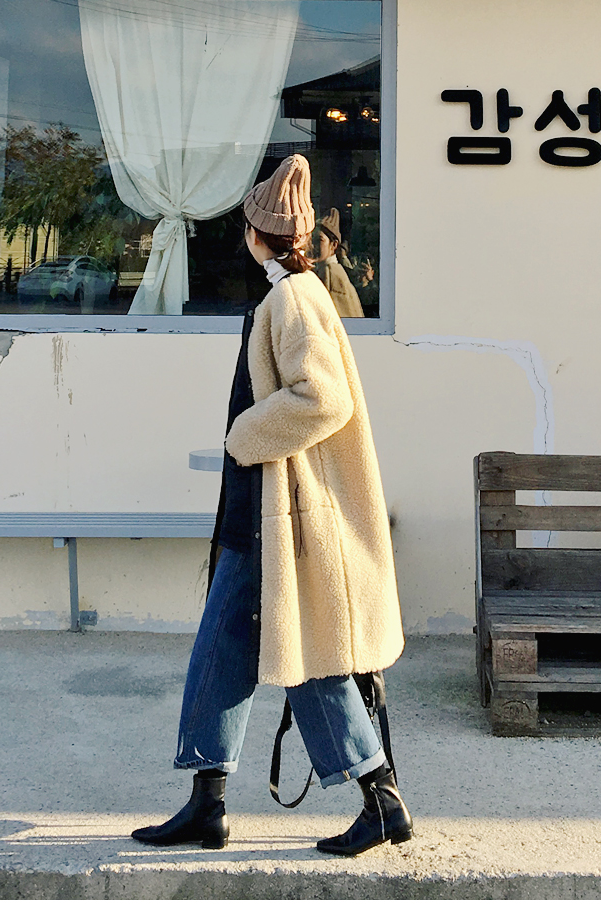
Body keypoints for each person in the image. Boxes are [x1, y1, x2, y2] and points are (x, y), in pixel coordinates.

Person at [131, 155, 412, 857]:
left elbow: (323, 399)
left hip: (278, 516)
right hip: (265, 509)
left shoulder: (291, 300)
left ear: (258, 234)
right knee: (236, 651)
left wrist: (244, 433)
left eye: (248, 227)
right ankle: (212, 802)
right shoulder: (295, 291)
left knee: (290, 657)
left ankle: (374, 799)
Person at [313, 207, 365, 318]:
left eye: (319, 240)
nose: (313, 245)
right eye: (312, 240)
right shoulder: (325, 270)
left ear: (334, 244)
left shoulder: (330, 273)